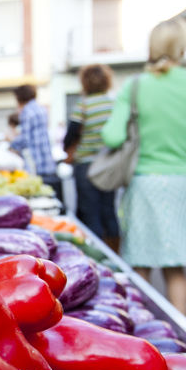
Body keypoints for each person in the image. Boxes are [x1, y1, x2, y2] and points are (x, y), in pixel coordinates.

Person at [101, 17, 186, 316]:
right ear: (182, 46)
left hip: (144, 184)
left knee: (141, 264)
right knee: (176, 267)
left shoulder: (136, 86)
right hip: (183, 185)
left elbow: (111, 135)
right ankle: (181, 344)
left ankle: (145, 334)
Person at [63, 64, 120, 249]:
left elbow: (71, 133)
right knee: (109, 211)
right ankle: (114, 254)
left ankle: (96, 256)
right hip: (109, 166)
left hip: (86, 166)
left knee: (90, 213)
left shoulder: (84, 104)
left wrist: (67, 148)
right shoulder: (113, 104)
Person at [10, 84, 56, 177]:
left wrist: (11, 145)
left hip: (35, 162)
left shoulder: (27, 111)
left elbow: (25, 139)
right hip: (47, 160)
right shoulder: (42, 109)